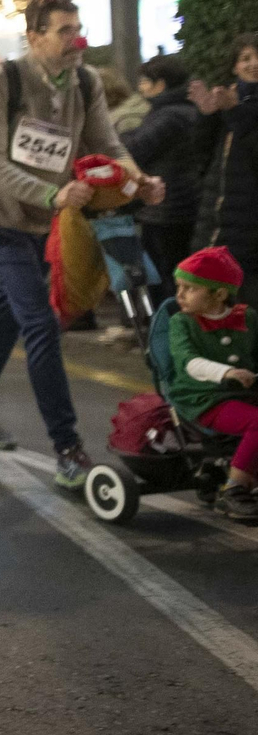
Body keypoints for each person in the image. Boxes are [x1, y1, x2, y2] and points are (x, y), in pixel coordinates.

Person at [0, 0, 164, 487]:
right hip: (3, 221)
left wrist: (138, 180)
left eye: (78, 28)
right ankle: (67, 448)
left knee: (8, 316)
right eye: (64, 31)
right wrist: (53, 193)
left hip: (52, 223)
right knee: (41, 323)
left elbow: (108, 145)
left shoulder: (85, 81)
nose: (77, 40)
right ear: (34, 38)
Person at [164, 247, 258, 520]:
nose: (180, 295)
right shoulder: (182, 323)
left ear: (219, 295)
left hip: (243, 394)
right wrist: (227, 372)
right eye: (179, 287)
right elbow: (188, 362)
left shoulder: (247, 318)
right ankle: (234, 489)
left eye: (190, 288)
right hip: (204, 398)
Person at [121, 55, 202, 306]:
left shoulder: (170, 115)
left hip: (168, 207)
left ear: (161, 84)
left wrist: (117, 138)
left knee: (165, 274)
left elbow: (135, 148)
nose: (141, 87)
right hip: (178, 203)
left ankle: (169, 324)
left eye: (145, 81)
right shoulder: (181, 110)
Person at [190, 34, 258, 306]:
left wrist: (235, 112)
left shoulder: (233, 106)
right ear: (234, 67)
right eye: (245, 58)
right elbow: (202, 155)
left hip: (250, 231)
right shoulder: (228, 99)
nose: (254, 64)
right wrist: (206, 115)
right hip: (214, 221)